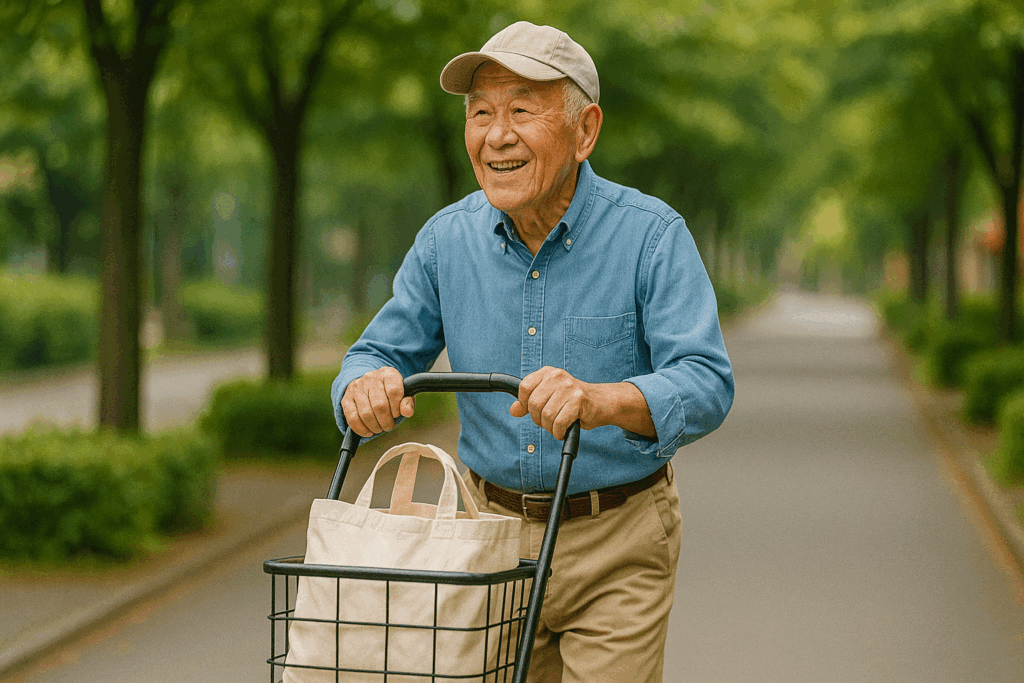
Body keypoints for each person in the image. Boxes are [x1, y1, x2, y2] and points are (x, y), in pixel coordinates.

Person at [331, 20, 734, 683]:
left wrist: (601, 399)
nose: (497, 134)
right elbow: (374, 352)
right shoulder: (444, 241)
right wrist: (362, 385)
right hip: (482, 536)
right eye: (481, 113)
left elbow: (707, 380)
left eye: (521, 110)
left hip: (619, 537)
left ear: (585, 131)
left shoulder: (653, 237)